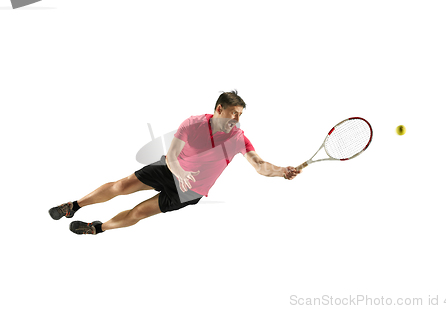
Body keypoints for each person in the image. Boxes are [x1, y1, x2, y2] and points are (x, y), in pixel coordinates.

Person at [48, 90, 300, 235]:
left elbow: (259, 165)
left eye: (240, 115)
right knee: (121, 186)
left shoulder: (238, 138)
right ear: (220, 108)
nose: (237, 118)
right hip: (171, 170)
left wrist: (281, 172)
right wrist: (179, 172)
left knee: (138, 213)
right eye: (234, 112)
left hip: (191, 190)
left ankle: (98, 228)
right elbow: (171, 156)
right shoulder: (193, 123)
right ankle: (74, 205)